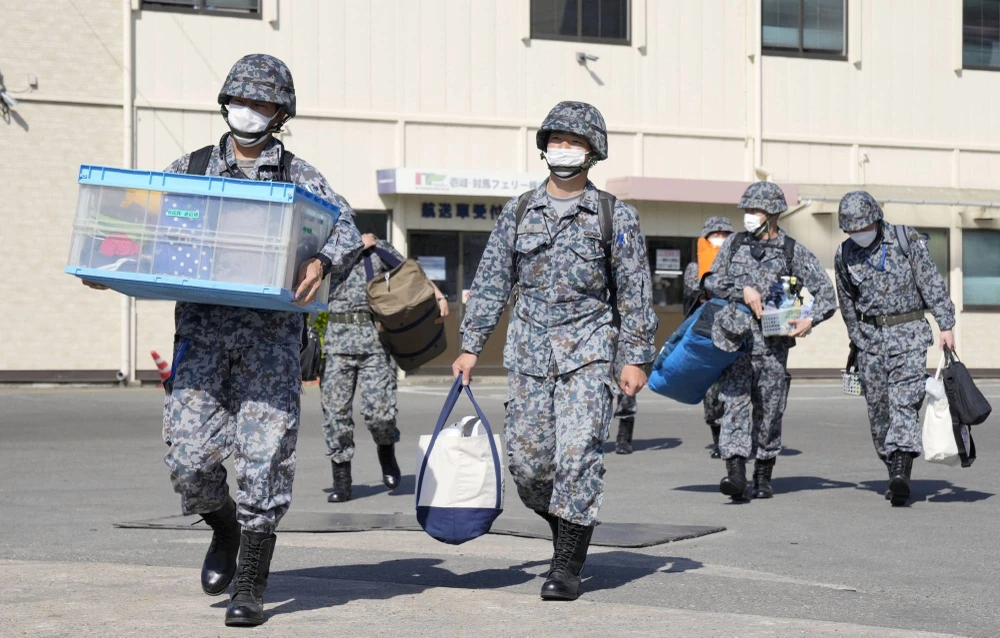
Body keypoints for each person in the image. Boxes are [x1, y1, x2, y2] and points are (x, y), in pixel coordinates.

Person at [83, 54, 363, 627]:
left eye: (261, 103)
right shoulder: (187, 168)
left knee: (264, 461)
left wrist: (322, 263)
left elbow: (345, 225)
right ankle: (223, 527)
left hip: (270, 344)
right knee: (189, 461)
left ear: (280, 112)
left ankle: (252, 585)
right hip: (204, 339)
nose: (249, 112)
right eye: (241, 100)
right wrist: (108, 256)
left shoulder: (298, 175)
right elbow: (144, 226)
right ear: (225, 102)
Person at [453, 101, 657, 601]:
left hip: (589, 352)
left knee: (577, 454)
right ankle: (565, 524)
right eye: (557, 140)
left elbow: (635, 290)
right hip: (528, 355)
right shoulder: (520, 210)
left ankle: (567, 562)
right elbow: (493, 279)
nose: (563, 149)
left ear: (593, 152)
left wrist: (635, 356)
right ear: (544, 146)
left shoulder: (615, 214)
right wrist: (470, 346)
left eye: (575, 142)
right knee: (527, 465)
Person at [704, 182, 836, 501]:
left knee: (769, 411)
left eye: (756, 210)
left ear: (774, 213)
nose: (749, 216)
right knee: (734, 405)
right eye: (747, 210)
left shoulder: (792, 251)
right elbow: (711, 281)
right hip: (734, 343)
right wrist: (742, 290)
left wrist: (809, 319)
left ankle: (763, 473)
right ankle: (735, 473)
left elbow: (826, 294)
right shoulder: (734, 244)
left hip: (773, 349)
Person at [834, 191, 955, 507]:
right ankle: (893, 469)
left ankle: (902, 471)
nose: (856, 232)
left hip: (909, 335)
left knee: (904, 402)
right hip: (870, 342)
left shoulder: (905, 240)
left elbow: (931, 282)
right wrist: (856, 336)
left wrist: (946, 325)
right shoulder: (845, 253)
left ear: (875, 217)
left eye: (861, 225)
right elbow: (846, 299)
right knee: (879, 411)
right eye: (850, 228)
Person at [321, 232, 449, 503]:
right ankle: (341, 479)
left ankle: (386, 449)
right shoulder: (325, 253)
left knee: (380, 413)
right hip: (336, 344)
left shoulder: (376, 250)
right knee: (335, 414)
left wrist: (438, 296)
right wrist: (353, 248)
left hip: (374, 343)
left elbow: (411, 275)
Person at [682, 216, 735, 458]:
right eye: (716, 234)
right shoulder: (695, 266)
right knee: (712, 394)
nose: (721, 239)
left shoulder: (739, 263)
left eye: (726, 234)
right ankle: (718, 438)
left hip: (735, 333)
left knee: (736, 392)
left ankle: (733, 442)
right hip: (708, 334)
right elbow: (695, 290)